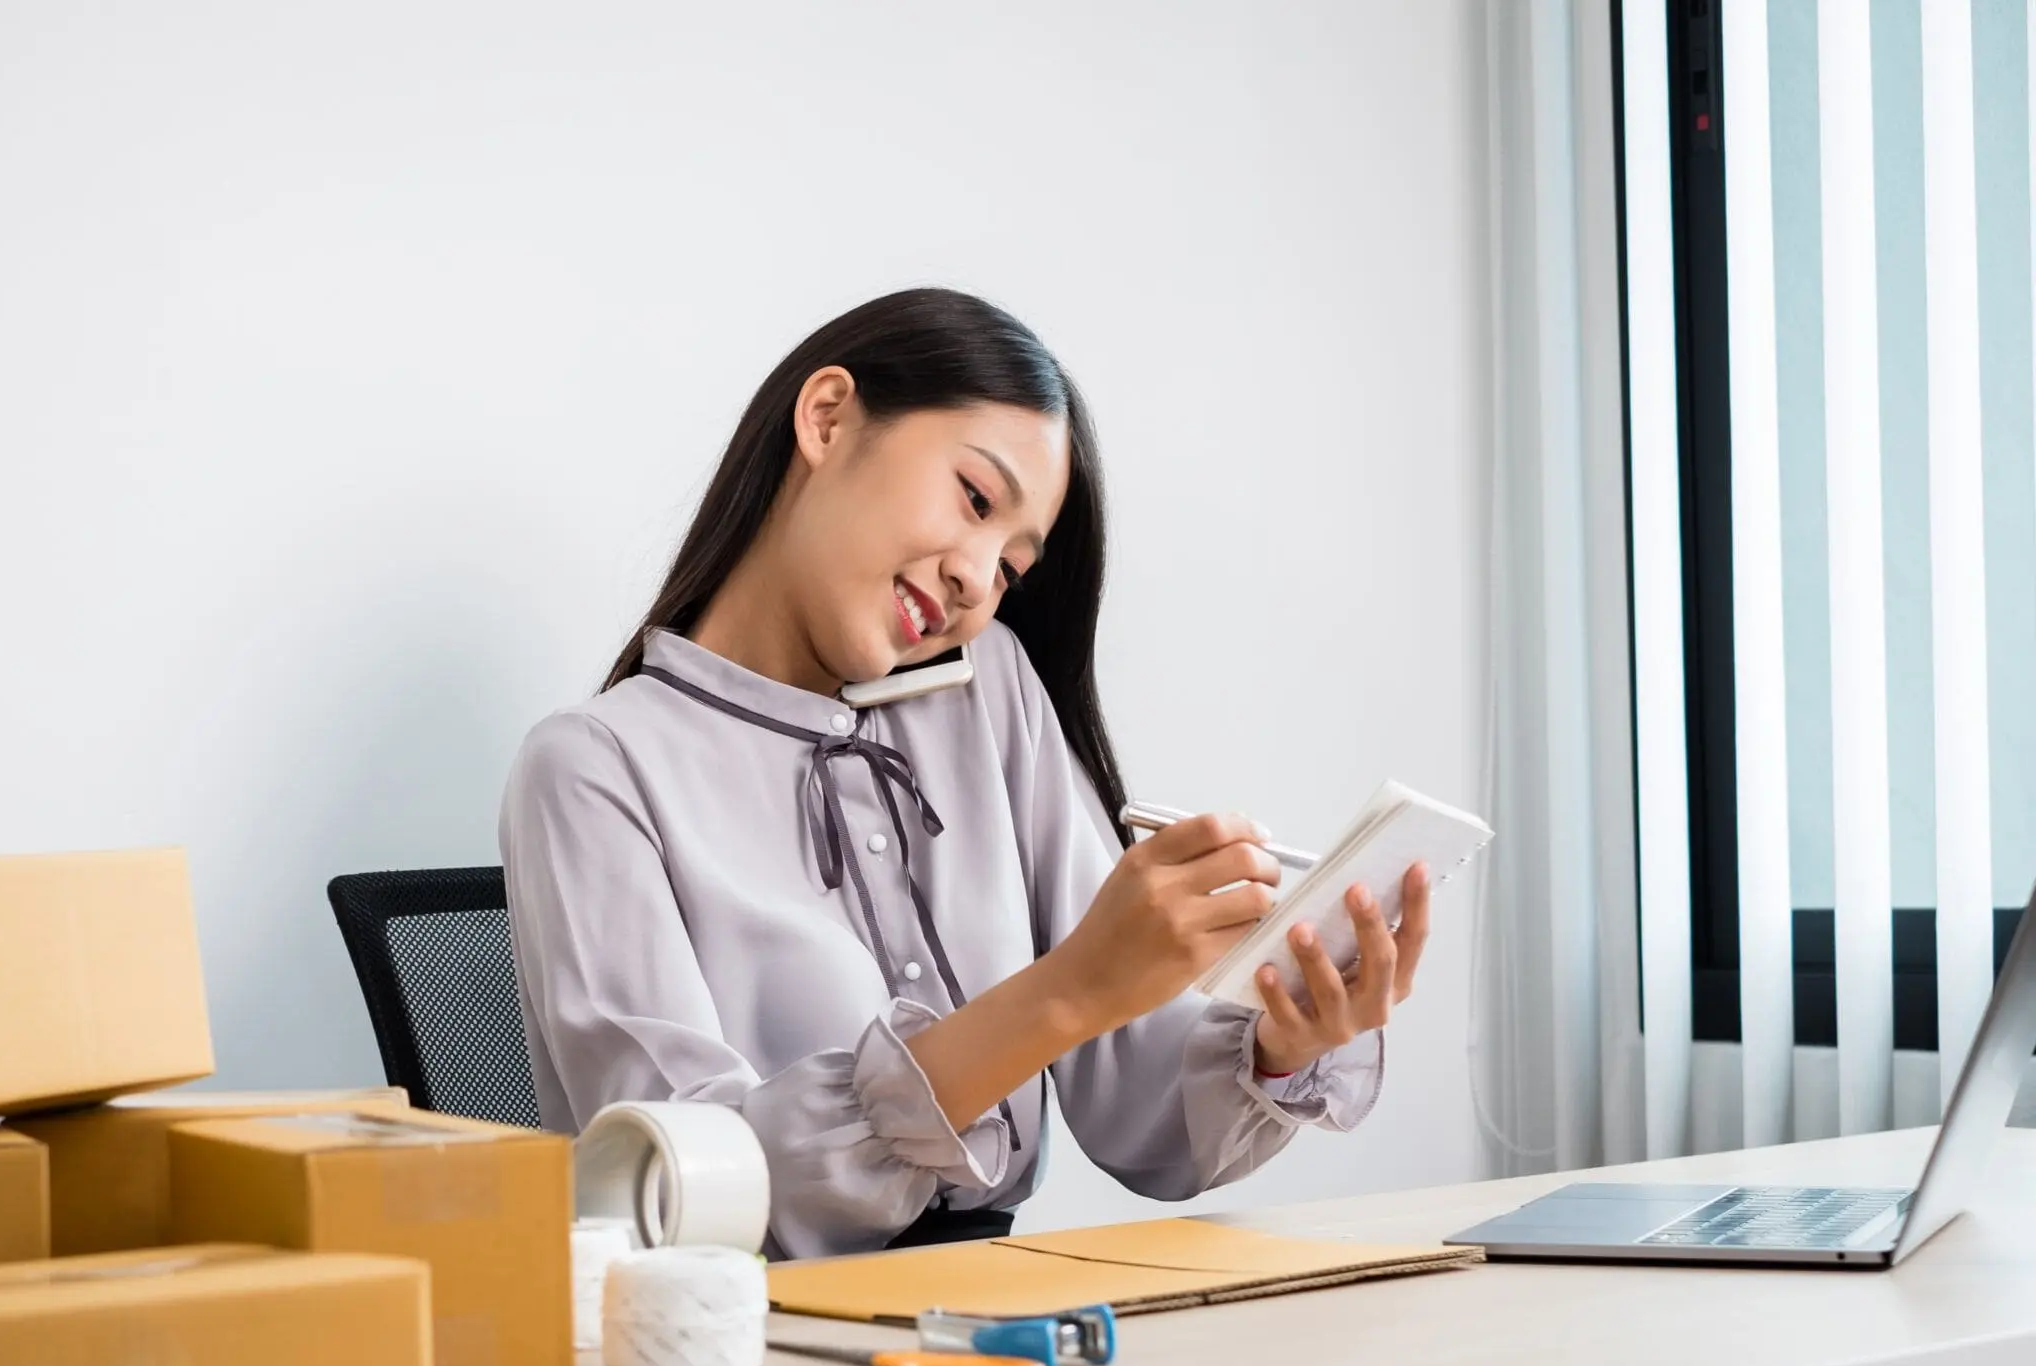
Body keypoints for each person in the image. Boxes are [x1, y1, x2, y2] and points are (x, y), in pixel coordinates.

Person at [499, 288, 1432, 1259]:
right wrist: (1068, 988)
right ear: (827, 419)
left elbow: (1142, 1115)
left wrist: (1284, 1039)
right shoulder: (592, 767)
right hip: (752, 1347)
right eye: (976, 501)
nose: (978, 583)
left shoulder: (992, 694)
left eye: (1012, 568)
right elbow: (688, 1191)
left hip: (998, 1313)